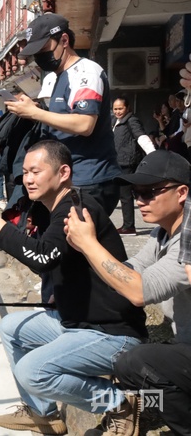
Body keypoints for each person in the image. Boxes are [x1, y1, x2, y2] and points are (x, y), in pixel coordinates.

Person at [0, 140, 146, 435]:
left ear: (63, 172)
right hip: (78, 322)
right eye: (25, 172)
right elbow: (51, 256)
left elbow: (42, 257)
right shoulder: (62, 206)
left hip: (112, 334)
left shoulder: (77, 209)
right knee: (12, 327)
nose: (27, 179)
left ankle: (117, 403)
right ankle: (44, 414)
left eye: (35, 171)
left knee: (32, 371)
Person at [66, 150, 191, 435]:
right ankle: (144, 412)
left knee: (135, 362)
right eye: (136, 192)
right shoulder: (161, 232)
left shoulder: (188, 236)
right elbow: (127, 271)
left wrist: (89, 245)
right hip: (183, 346)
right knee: (135, 370)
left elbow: (138, 290)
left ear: (182, 192)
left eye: (149, 192)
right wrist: (86, 248)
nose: (139, 201)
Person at [8, 13, 121, 215]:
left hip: (89, 178)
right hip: (68, 177)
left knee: (81, 242)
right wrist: (34, 109)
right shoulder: (56, 77)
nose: (41, 57)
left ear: (64, 40)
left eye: (44, 50)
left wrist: (35, 113)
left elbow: (84, 124)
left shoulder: (86, 72)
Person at [111, 97, 155, 235]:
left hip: (128, 162)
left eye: (120, 108)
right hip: (119, 162)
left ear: (128, 108)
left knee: (126, 195)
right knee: (126, 195)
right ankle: (128, 225)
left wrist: (153, 155)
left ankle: (129, 226)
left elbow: (141, 137)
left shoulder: (131, 120)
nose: (117, 111)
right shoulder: (115, 121)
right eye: (115, 109)